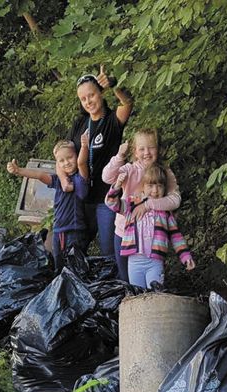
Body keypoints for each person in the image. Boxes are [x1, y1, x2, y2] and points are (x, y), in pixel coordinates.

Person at [67, 66, 133, 277]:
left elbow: (127, 103)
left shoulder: (113, 121)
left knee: (108, 251)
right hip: (82, 196)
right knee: (75, 247)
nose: (88, 102)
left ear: (101, 93)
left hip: (107, 198)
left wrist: (114, 85)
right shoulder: (79, 124)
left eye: (92, 95)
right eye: (83, 98)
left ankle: (113, 293)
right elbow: (65, 154)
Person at [6, 139, 89, 273]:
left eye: (70, 157)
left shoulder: (80, 180)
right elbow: (39, 175)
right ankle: (59, 288)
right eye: (61, 160)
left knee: (74, 266)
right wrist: (19, 171)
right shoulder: (58, 180)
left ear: (76, 155)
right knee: (58, 263)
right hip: (58, 230)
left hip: (74, 231)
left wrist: (84, 146)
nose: (66, 162)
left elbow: (82, 163)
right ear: (57, 163)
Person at [112, 163, 195, 288]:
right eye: (150, 186)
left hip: (155, 262)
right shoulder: (131, 204)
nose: (155, 191)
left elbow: (176, 236)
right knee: (139, 297)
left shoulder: (166, 211)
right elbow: (111, 204)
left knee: (155, 295)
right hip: (134, 262)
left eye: (159, 186)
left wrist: (186, 256)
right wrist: (116, 186)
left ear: (164, 188)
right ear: (143, 187)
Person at [101, 127, 181, 227]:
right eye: (142, 149)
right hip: (126, 229)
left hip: (155, 232)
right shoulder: (130, 170)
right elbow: (107, 177)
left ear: (158, 149)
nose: (147, 152)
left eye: (151, 147)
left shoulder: (164, 171)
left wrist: (147, 205)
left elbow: (175, 200)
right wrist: (119, 156)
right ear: (135, 152)